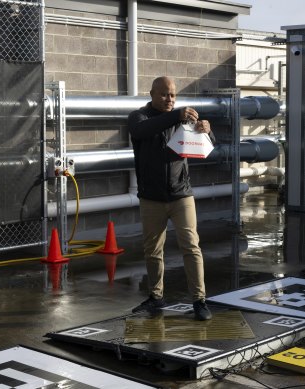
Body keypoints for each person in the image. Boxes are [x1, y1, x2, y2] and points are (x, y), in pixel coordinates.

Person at [128, 76, 213, 321]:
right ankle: (156, 297)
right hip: (151, 197)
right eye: (165, 94)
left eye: (173, 95)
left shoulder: (181, 119)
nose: (170, 99)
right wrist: (176, 115)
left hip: (181, 195)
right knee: (153, 249)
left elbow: (207, 145)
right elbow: (141, 130)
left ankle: (199, 300)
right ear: (152, 94)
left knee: (191, 246)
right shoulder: (139, 117)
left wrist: (207, 130)